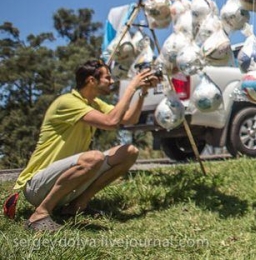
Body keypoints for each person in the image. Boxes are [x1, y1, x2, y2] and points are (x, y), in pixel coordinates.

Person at [4, 59, 158, 232]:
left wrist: (142, 92)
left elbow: (130, 119)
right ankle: (39, 214)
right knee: (94, 157)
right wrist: (131, 87)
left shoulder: (94, 103)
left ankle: (77, 206)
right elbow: (111, 121)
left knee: (129, 152)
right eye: (107, 77)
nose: (112, 81)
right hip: (38, 186)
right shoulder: (67, 102)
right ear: (91, 80)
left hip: (67, 182)